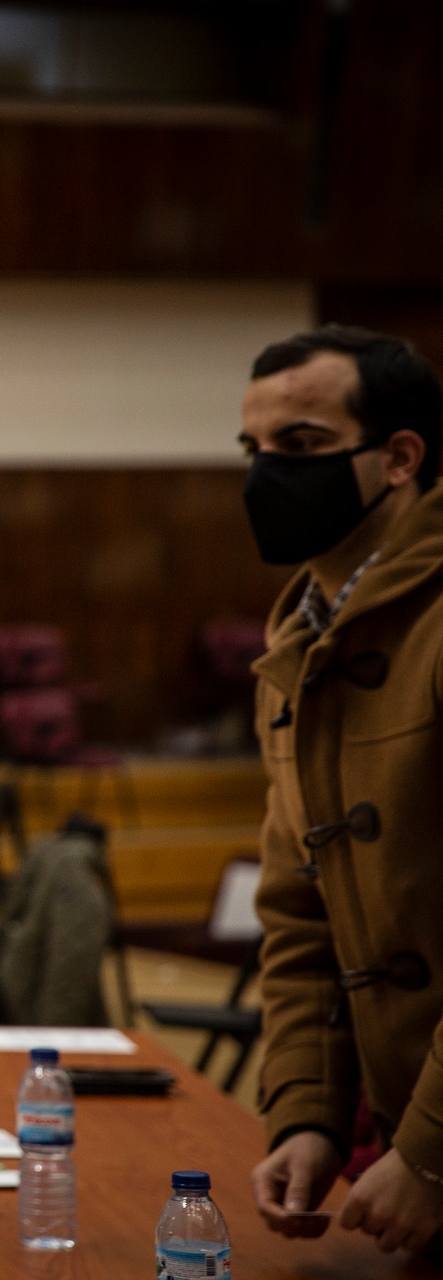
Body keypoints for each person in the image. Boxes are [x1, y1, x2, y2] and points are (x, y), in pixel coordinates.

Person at [237, 326, 443, 1259]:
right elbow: (299, 915)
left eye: (304, 447)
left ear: (399, 458)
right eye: (256, 451)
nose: (268, 474)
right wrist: (309, 1115)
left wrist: (433, 1152)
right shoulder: (293, 655)